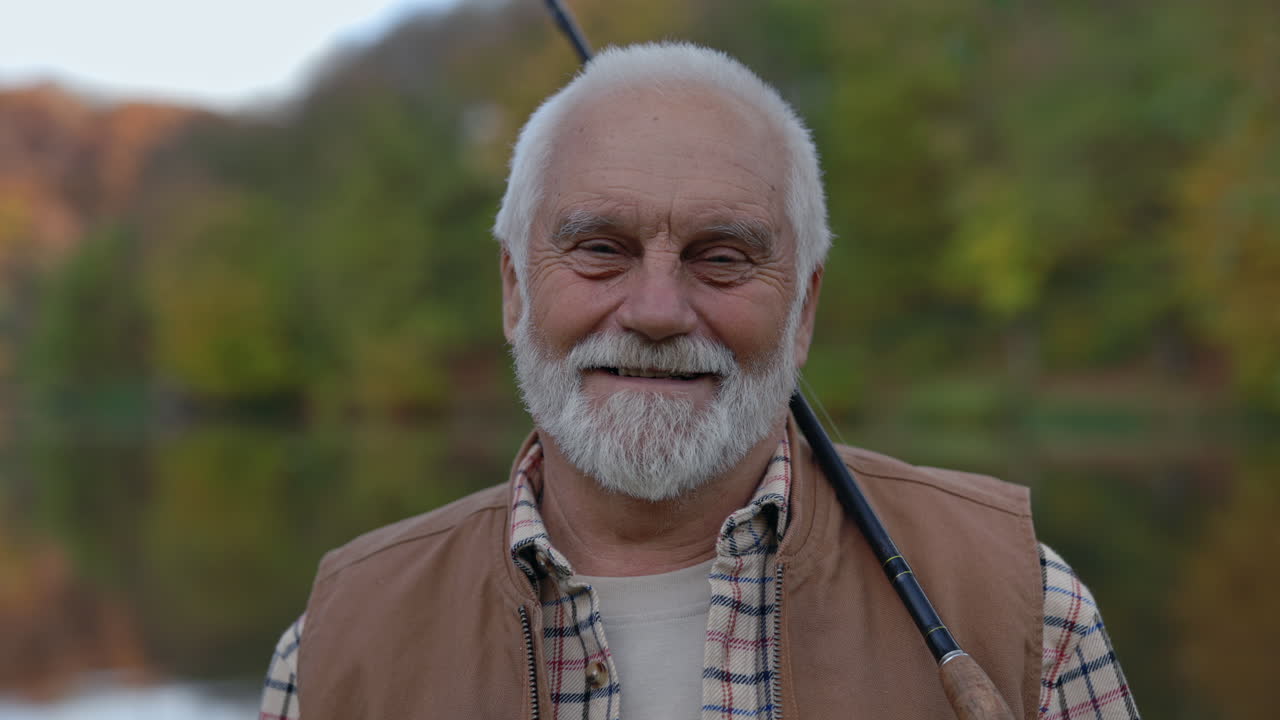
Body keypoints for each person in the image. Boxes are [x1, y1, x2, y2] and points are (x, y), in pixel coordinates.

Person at [259, 42, 1138, 720]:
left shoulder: (1028, 612)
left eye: (722, 257)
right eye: (600, 248)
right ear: (515, 288)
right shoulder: (341, 647)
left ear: (802, 311)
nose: (654, 310)